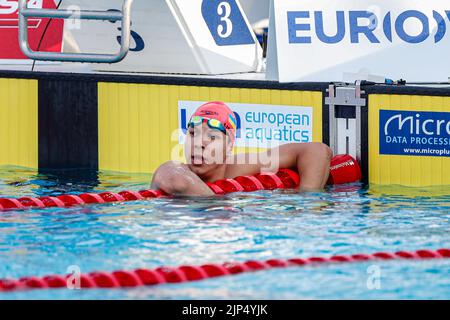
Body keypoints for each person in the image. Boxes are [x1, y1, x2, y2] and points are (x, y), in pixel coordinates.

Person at [151, 101, 332, 196]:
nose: (199, 143)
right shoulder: (173, 170)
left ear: (229, 146)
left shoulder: (239, 166)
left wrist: (307, 200)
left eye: (212, 137)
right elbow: (178, 182)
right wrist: (218, 205)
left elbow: (317, 150)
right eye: (192, 133)